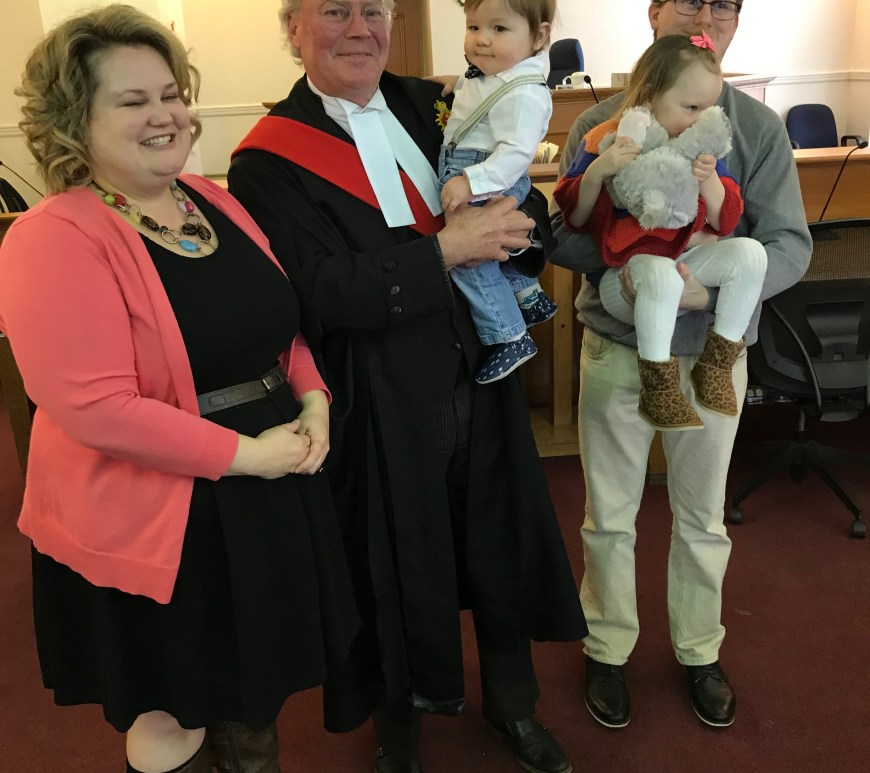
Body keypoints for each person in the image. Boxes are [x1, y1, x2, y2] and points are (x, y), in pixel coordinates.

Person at [228, 2, 587, 772]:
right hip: (377, 397)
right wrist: (445, 252)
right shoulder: (266, 160)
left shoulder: (439, 103)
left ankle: (514, 704)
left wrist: (518, 217)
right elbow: (316, 290)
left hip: (479, 375)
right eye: (336, 10)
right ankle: (400, 726)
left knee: (497, 539)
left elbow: (521, 199)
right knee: (390, 562)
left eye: (374, 10)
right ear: (293, 29)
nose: (361, 28)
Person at [0, 6, 360, 773]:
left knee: (251, 689)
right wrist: (248, 456)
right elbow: (94, 408)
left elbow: (279, 324)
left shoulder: (211, 199)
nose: (165, 114)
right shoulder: (52, 235)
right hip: (160, 512)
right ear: (74, 121)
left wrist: (314, 399)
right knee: (174, 708)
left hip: (264, 483)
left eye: (171, 93)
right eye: (133, 101)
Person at [549, 0, 812, 730]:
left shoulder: (754, 128)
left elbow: (788, 245)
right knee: (610, 514)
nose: (705, 14)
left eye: (722, 2)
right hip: (619, 342)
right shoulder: (599, 121)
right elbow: (562, 233)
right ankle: (607, 646)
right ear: (654, 12)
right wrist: (632, 269)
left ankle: (699, 649)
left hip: (713, 354)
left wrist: (709, 288)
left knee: (703, 515)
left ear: (735, 20)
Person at [554, 33, 768, 431]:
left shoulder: (701, 148)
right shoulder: (605, 137)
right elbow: (574, 220)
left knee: (751, 253)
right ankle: (659, 386)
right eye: (691, 108)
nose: (701, 119)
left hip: (686, 268)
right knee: (660, 273)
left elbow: (725, 222)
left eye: (709, 109)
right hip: (626, 278)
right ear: (651, 95)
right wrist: (598, 172)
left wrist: (710, 182)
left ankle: (716, 364)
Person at [439, 0, 558, 384]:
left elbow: (516, 154)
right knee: (495, 247)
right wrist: (457, 83)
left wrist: (471, 182)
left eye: (499, 29)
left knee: (470, 259)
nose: (482, 40)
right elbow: (486, 100)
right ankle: (528, 295)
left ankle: (509, 335)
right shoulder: (500, 74)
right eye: (474, 27)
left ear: (538, 37)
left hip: (485, 173)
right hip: (482, 170)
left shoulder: (525, 94)